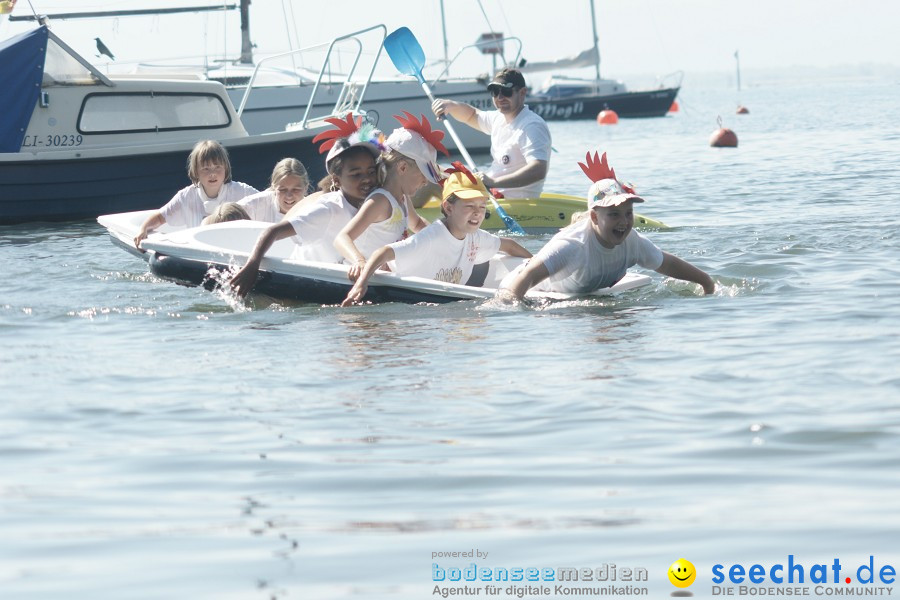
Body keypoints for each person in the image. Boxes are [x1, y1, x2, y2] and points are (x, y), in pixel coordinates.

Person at [497, 152, 715, 302]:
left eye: (628, 213)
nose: (623, 222)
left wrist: (706, 281)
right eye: (613, 214)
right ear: (594, 216)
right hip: (534, 293)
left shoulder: (633, 242)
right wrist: (509, 305)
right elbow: (527, 275)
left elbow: (667, 264)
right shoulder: (573, 245)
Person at [228, 115, 382, 298]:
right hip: (299, 284)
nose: (366, 179)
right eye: (356, 174)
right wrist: (252, 265)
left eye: (371, 172)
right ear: (336, 180)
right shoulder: (329, 209)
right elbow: (273, 231)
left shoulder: (375, 202)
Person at [341, 162, 532, 307]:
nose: (477, 213)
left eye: (482, 207)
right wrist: (361, 284)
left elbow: (509, 245)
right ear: (448, 207)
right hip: (392, 290)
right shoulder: (431, 238)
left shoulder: (476, 236)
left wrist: (539, 265)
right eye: (469, 206)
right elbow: (382, 252)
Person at [333, 112, 449, 282]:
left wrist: (444, 239)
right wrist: (360, 261)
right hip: (358, 276)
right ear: (402, 168)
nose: (425, 182)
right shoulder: (380, 201)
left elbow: (416, 224)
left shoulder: (402, 198)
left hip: (385, 274)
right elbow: (342, 238)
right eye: (423, 174)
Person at [431, 67, 551, 199]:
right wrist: (451, 105)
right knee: (430, 170)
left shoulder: (532, 126)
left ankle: (410, 217)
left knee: (429, 182)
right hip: (489, 193)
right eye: (495, 92)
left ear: (522, 93)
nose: (500, 97)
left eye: (506, 91)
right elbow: (472, 115)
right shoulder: (498, 118)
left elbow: (539, 170)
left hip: (509, 202)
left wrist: (493, 182)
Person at [134, 140, 257, 247]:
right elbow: (160, 217)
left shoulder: (242, 191)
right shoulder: (186, 196)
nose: (212, 174)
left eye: (217, 167)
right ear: (196, 172)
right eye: (206, 169)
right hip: (199, 251)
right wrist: (143, 229)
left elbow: (268, 200)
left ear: (226, 168)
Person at [236, 158, 310, 222]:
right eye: (283, 190)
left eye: (295, 189)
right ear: (274, 187)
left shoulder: (313, 211)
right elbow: (228, 213)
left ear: (306, 187)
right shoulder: (255, 205)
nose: (289, 196)